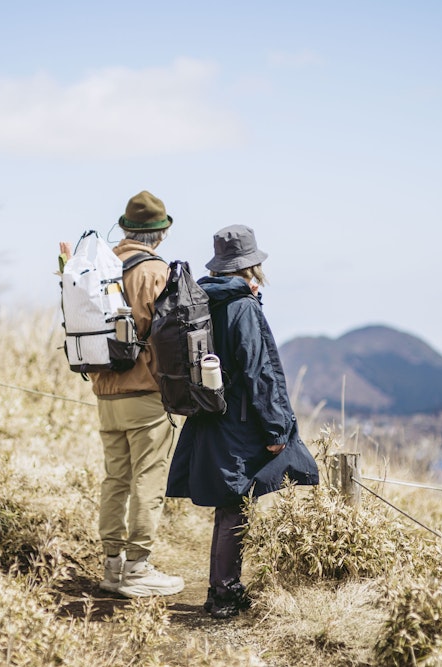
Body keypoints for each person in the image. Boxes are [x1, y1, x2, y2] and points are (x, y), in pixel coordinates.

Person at [166, 224, 319, 618]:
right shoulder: (243, 307)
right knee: (235, 506)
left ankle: (223, 589)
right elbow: (258, 371)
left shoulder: (201, 301)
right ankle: (224, 594)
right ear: (251, 265)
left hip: (207, 416)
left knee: (230, 504)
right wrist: (276, 429)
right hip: (238, 422)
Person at [58, 191, 184, 598]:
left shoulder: (98, 265)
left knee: (115, 478)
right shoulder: (154, 272)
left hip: (104, 391)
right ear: (159, 235)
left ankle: (112, 567)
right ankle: (139, 569)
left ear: (126, 229)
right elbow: (169, 335)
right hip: (144, 392)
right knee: (148, 477)